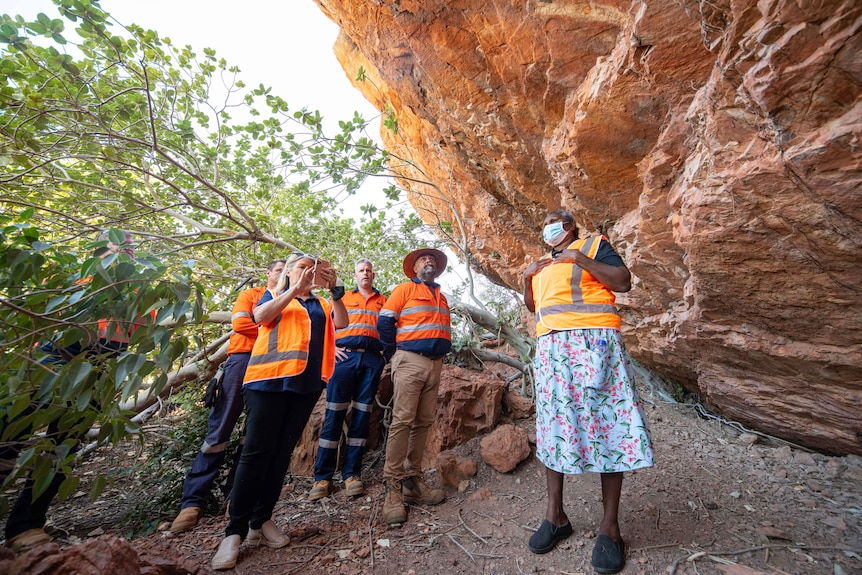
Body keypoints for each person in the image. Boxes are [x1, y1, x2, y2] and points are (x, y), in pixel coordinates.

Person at [522, 210, 654, 574]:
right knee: (553, 429)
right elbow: (534, 306)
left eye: (554, 220)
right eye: (544, 221)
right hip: (551, 350)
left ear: (569, 226)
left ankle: (610, 529)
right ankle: (556, 517)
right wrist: (525, 279)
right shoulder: (543, 265)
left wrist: (579, 257)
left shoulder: (594, 245)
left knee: (610, 429)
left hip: (595, 343)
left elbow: (623, 282)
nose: (548, 226)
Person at [1, 230, 147, 553]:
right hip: (53, 354)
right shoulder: (74, 276)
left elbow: (144, 333)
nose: (124, 251)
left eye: (129, 247)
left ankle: (25, 525)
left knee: (63, 446)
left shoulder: (141, 291)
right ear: (97, 249)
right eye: (115, 244)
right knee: (13, 429)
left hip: (102, 367)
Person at [210, 253, 348, 571]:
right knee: (256, 453)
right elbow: (260, 317)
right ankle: (234, 532)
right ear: (286, 272)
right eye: (302, 267)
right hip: (266, 382)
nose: (308, 272)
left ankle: (261, 520)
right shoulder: (272, 295)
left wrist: (336, 289)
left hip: (306, 385)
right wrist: (291, 288)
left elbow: (342, 323)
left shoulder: (322, 304)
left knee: (281, 454)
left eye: (313, 269)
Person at [170, 260, 285, 533]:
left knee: (255, 434)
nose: (284, 274)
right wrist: (271, 330)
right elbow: (241, 323)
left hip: (273, 366)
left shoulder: (294, 302)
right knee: (221, 428)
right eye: (279, 269)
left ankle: (236, 496)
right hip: (243, 360)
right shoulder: (252, 295)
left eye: (287, 270)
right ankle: (193, 502)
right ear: (268, 273)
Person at [377, 248, 451, 525]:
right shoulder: (404, 289)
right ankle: (392, 488)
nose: (428, 261)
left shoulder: (441, 296)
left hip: (435, 364)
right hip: (410, 360)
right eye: (423, 259)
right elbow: (385, 321)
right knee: (402, 422)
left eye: (432, 259)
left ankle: (412, 482)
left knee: (422, 422)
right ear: (414, 268)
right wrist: (391, 353)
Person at [309, 258, 387, 501]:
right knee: (334, 414)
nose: (365, 273)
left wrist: (385, 356)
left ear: (373, 275)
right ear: (354, 276)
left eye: (369, 270)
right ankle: (322, 478)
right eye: (361, 271)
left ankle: (351, 474)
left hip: (372, 360)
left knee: (362, 416)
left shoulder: (384, 301)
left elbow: (392, 329)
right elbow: (324, 326)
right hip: (343, 359)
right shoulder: (341, 297)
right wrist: (330, 351)